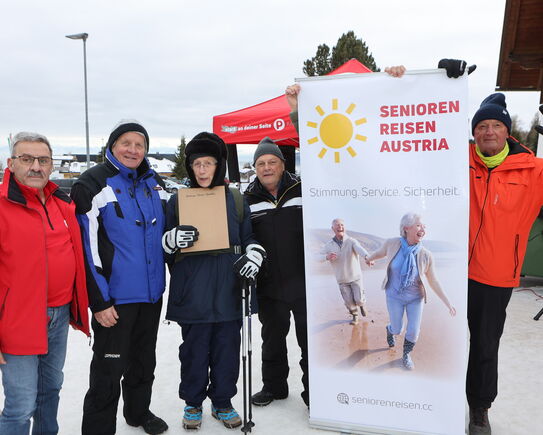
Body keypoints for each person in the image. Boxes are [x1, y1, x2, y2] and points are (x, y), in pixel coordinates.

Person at [71, 120, 169, 435]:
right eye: (126, 143)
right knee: (108, 370)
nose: (133, 150)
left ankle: (138, 412)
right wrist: (99, 301)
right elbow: (86, 250)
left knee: (143, 362)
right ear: (112, 146)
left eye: (140, 145)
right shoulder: (92, 184)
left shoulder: (153, 182)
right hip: (114, 299)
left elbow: (165, 231)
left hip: (151, 295)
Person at [162, 132, 265, 431]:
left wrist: (254, 253)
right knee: (193, 351)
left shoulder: (235, 199)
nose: (203, 170)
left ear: (218, 166)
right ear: (190, 167)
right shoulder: (178, 201)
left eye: (208, 163)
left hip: (229, 289)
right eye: (197, 164)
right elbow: (163, 248)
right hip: (193, 290)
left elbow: (248, 237)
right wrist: (170, 240)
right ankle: (193, 403)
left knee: (227, 349)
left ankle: (222, 401)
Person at [0, 132, 90, 434]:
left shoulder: (60, 202)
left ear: (51, 165)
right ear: (11, 163)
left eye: (43, 160)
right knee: (21, 404)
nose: (36, 166)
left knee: (50, 391)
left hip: (58, 314)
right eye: (27, 159)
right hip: (16, 320)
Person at [243, 136, 309, 408]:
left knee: (309, 340)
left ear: (282, 165)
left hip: (304, 281)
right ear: (255, 168)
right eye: (261, 163)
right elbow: (245, 236)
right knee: (272, 339)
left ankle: (314, 393)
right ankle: (274, 386)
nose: (267, 167)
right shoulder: (247, 199)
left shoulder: (303, 190)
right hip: (269, 283)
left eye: (272, 162)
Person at [365, 213, 456, 369]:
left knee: (413, 331)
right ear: (406, 228)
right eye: (419, 225)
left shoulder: (426, 255)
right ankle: (390, 330)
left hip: (415, 298)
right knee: (397, 329)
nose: (423, 229)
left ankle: (406, 355)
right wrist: (369, 259)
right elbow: (380, 252)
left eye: (424, 227)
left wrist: (448, 303)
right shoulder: (392, 244)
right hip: (394, 296)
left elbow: (433, 281)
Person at [321, 218, 373, 325]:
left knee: (359, 299)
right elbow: (316, 256)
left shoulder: (351, 241)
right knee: (349, 301)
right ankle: (355, 316)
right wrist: (326, 257)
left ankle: (362, 305)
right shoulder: (329, 245)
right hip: (342, 279)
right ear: (332, 228)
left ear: (345, 227)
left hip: (355, 277)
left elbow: (360, 249)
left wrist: (367, 257)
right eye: (337, 225)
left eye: (342, 225)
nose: (340, 227)